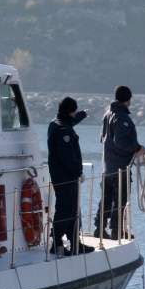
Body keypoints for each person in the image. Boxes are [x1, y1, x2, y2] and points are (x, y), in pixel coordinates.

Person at [94, 85, 145, 239]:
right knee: (120, 200)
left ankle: (99, 228)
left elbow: (102, 138)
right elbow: (120, 141)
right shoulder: (122, 117)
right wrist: (137, 148)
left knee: (106, 199)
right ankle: (116, 231)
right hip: (120, 168)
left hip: (107, 166)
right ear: (128, 99)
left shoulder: (107, 114)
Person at [47, 96, 91, 256]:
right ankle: (57, 243)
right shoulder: (63, 131)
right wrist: (78, 172)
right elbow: (67, 157)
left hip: (63, 176)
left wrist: (83, 114)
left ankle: (75, 242)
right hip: (65, 177)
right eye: (74, 112)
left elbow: (70, 120)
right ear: (70, 112)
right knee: (65, 210)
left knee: (73, 209)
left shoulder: (57, 123)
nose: (75, 114)